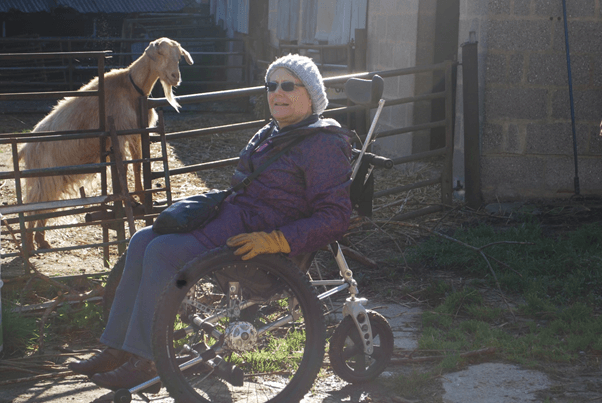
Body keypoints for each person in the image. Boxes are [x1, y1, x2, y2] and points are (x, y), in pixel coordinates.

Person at [68, 54, 354, 391]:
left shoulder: (322, 144)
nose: (277, 92)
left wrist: (276, 240)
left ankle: (146, 361)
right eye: (271, 85)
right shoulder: (274, 131)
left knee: (161, 252)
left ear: (312, 94)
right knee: (142, 241)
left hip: (259, 244)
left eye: (288, 85)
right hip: (234, 220)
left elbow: (334, 217)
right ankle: (117, 348)